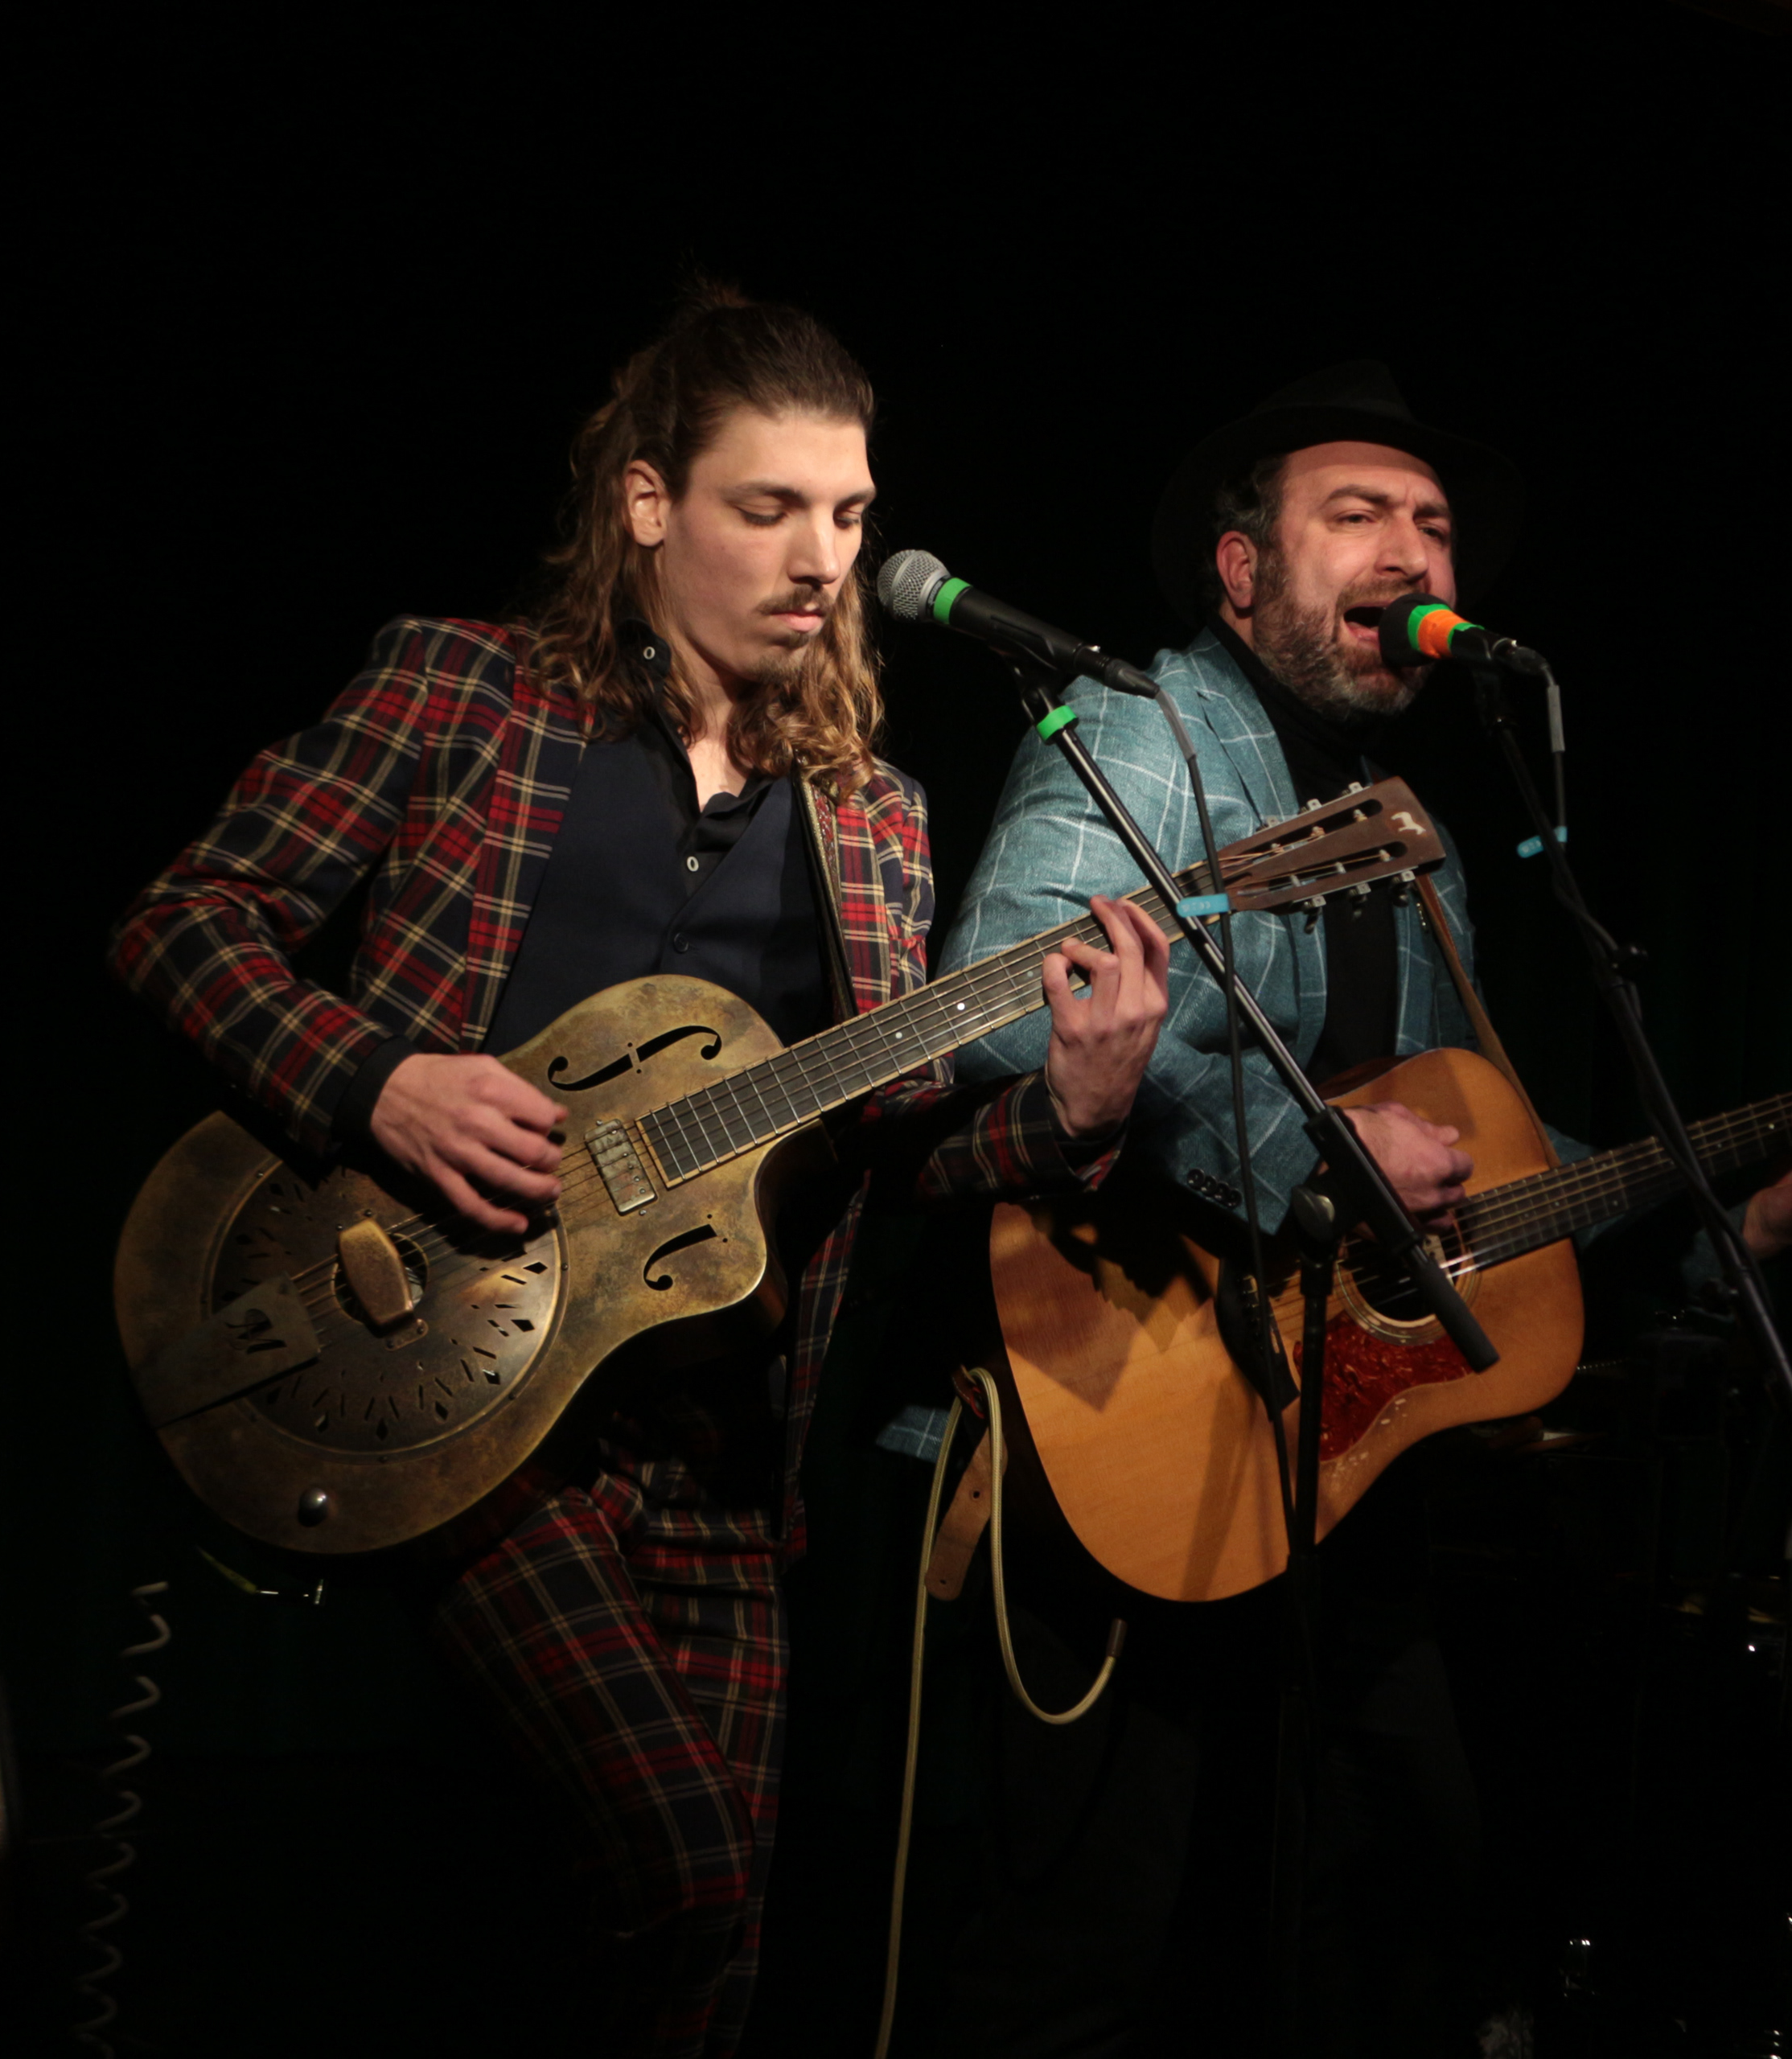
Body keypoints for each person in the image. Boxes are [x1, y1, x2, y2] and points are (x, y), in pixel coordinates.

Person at [107, 286, 1169, 2059]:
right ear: (651, 502)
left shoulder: (877, 811)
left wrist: (1072, 1102)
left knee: (708, 1942)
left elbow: (888, 1149)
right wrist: (381, 1079)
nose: (822, 556)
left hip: (725, 1444)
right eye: (769, 508)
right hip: (463, 1392)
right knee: (673, 1859)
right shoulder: (465, 691)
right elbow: (181, 921)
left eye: (848, 512)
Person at [923, 362, 1792, 2054]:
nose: (1409, 550)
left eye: (1432, 525)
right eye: (1355, 514)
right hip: (1135, 1424)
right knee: (1081, 1956)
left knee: (1397, 1914)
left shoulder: (1412, 840)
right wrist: (1302, 1164)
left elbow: (1471, 1163)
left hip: (1333, 1468)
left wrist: (1746, 1196)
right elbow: (1010, 1006)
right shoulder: (1153, 738)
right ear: (1243, 573)